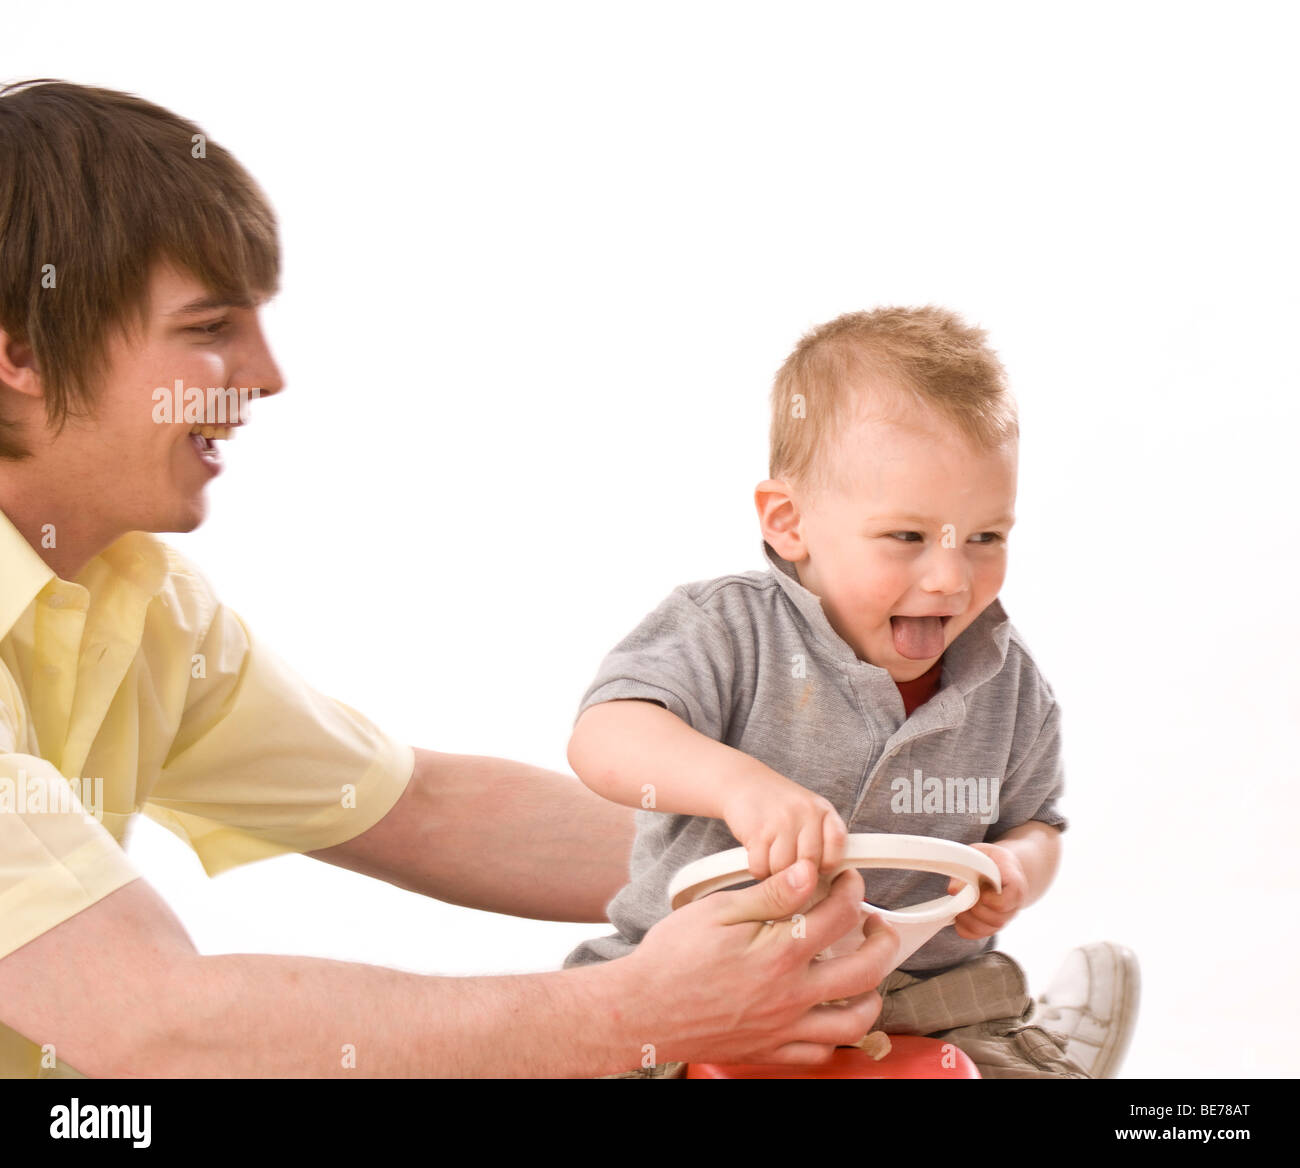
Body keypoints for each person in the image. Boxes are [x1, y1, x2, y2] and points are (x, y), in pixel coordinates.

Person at [0, 78, 899, 1078]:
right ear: (22, 352)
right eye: (210, 328)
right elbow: (146, 1022)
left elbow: (416, 805)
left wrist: (822, 845)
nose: (266, 372)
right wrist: (636, 1010)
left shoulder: (138, 601)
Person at [565, 306, 1140, 1078]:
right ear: (789, 521)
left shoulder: (1010, 684)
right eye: (907, 536)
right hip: (702, 984)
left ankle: (1047, 1049)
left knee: (1000, 1056)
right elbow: (606, 736)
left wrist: (1014, 868)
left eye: (985, 537)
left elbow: (1037, 823)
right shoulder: (728, 630)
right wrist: (742, 788)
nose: (950, 577)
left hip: (925, 992)